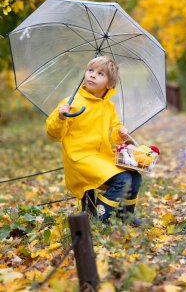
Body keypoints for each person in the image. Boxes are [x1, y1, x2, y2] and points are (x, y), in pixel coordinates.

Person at [46, 56, 142, 225]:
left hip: (101, 155)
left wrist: (120, 133)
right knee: (122, 179)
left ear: (109, 84)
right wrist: (60, 117)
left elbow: (112, 131)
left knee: (134, 176)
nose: (92, 75)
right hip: (79, 157)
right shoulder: (72, 103)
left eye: (100, 73)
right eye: (90, 70)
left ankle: (125, 216)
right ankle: (99, 220)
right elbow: (54, 134)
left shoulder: (108, 106)